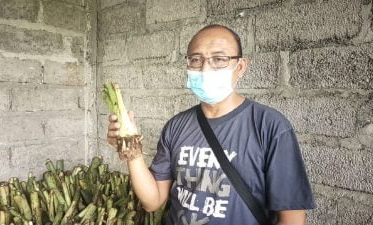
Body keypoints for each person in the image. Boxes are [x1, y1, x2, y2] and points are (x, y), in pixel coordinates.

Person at [107, 24, 315, 225]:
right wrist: (131, 152)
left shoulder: (270, 127)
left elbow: (293, 220)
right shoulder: (176, 126)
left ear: (240, 67)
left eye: (219, 59)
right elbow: (153, 202)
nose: (206, 68)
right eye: (196, 59)